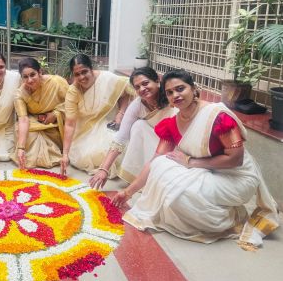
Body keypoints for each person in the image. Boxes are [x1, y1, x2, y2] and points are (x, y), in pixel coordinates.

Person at [112, 69, 279, 250]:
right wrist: (127, 192)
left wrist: (191, 162)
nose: (175, 95)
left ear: (193, 89)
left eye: (180, 89)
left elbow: (235, 160)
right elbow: (155, 160)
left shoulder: (217, 116)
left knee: (180, 194)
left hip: (236, 178)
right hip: (207, 172)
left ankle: (230, 218)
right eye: (170, 92)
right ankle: (205, 212)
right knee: (162, 167)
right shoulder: (172, 124)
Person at [89, 67, 177, 188]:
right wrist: (104, 169)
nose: (142, 89)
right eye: (137, 87)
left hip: (177, 144)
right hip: (155, 145)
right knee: (138, 126)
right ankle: (143, 176)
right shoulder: (137, 105)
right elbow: (121, 137)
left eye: (145, 83)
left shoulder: (172, 97)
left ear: (157, 81)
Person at [61, 54, 132, 176]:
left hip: (109, 121)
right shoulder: (73, 91)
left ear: (91, 68)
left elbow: (126, 91)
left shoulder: (106, 78)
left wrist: (121, 113)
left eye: (84, 72)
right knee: (84, 156)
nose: (82, 77)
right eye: (77, 74)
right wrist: (65, 154)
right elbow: (70, 124)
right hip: (85, 129)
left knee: (114, 146)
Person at [12, 58, 69, 169]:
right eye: (25, 77)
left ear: (40, 72)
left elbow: (73, 104)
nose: (29, 80)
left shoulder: (56, 82)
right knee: (22, 131)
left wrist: (56, 114)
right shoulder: (20, 94)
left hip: (56, 125)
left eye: (33, 75)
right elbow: (23, 119)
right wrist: (20, 148)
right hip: (35, 123)